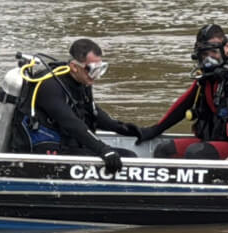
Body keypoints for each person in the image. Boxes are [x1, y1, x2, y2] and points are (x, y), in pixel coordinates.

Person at [135, 24, 228, 160]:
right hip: (219, 142)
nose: (209, 59)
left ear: (227, 48)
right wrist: (154, 130)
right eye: (204, 55)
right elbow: (183, 104)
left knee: (196, 152)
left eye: (214, 53)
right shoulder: (207, 77)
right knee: (165, 150)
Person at [10, 38, 141, 171]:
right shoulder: (49, 85)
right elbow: (71, 123)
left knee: (127, 156)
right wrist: (103, 150)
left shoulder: (81, 81)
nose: (95, 76)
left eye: (100, 69)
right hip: (46, 150)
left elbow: (93, 113)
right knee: (127, 158)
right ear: (74, 66)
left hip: (69, 145)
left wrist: (127, 129)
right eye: (92, 70)